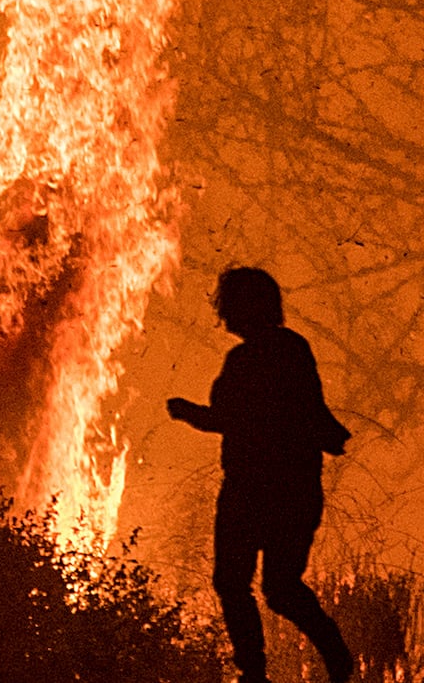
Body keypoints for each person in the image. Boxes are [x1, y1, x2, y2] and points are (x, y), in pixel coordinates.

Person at [165, 265, 358, 683]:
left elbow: (227, 418)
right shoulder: (294, 348)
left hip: (253, 490)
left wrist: (186, 412)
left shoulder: (248, 359)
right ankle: (336, 659)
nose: (224, 314)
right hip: (295, 489)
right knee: (281, 587)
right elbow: (308, 413)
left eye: (229, 304)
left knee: (235, 583)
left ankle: (255, 672)